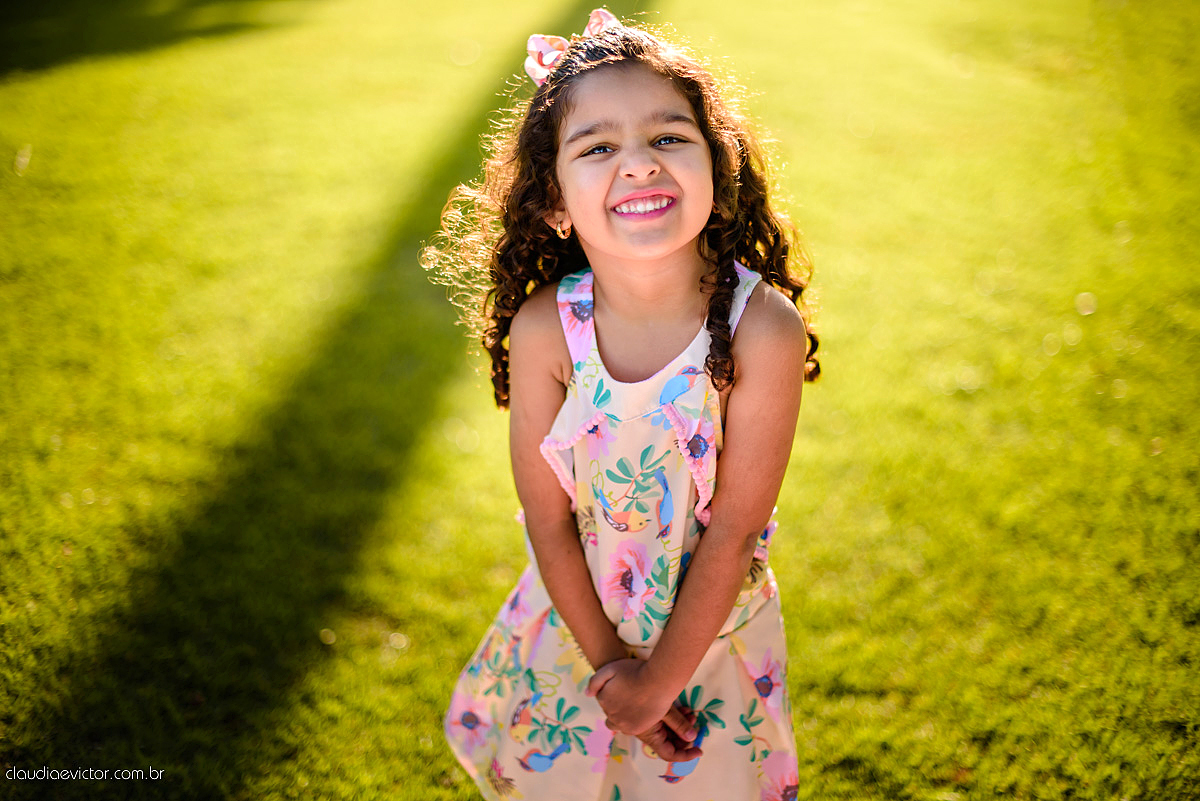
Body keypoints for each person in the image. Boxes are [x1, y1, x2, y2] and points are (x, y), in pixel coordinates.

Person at [422, 8, 819, 799]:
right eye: (598, 147)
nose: (638, 164)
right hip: (576, 632)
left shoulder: (762, 328)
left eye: (668, 136)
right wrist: (613, 670)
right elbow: (547, 520)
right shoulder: (548, 330)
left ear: (718, 171)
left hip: (709, 644)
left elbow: (735, 529)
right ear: (554, 201)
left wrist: (657, 684)